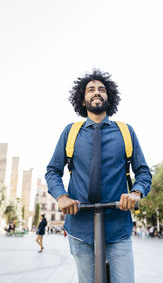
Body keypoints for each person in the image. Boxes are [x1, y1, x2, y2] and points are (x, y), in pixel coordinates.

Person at [45, 69, 152, 283]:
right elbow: (53, 171)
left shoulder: (125, 131)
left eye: (101, 90)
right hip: (80, 225)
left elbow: (143, 171)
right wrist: (62, 197)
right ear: (83, 100)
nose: (96, 93)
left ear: (108, 97)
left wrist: (136, 192)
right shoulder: (71, 132)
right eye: (91, 90)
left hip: (117, 225)